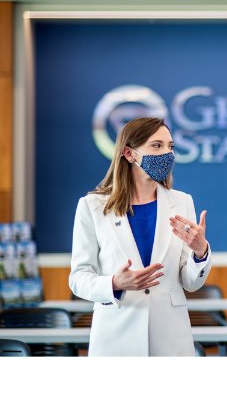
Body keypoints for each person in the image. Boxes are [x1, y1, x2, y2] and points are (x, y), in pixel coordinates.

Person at [69, 117, 212, 356]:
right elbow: (78, 278)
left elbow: (191, 283)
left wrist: (200, 252)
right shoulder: (92, 206)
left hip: (170, 337)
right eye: (156, 146)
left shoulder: (182, 202)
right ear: (129, 153)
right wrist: (114, 283)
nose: (167, 153)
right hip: (116, 336)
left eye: (170, 146)